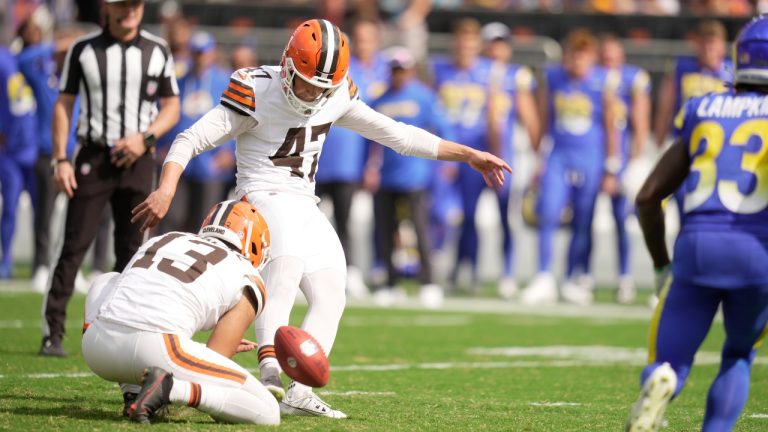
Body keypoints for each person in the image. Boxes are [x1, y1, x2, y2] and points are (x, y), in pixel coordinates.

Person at [131, 18, 510, 419]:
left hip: (303, 200)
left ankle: (299, 390)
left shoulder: (336, 93)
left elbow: (398, 135)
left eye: (322, 86)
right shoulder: (257, 88)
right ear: (288, 64)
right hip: (259, 195)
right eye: (307, 81)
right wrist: (167, 187)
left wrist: (467, 153)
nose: (313, 92)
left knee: (332, 289)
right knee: (287, 265)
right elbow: (191, 138)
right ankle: (271, 373)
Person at [626, 16, 768, 432]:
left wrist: (660, 265)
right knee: (738, 353)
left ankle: (661, 380)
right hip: (757, 252)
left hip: (698, 246)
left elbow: (648, 196)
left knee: (668, 362)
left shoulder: (702, 108)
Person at [40, 0, 180, 357]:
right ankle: (52, 332)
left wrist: (145, 138)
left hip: (138, 159)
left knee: (133, 252)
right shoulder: (83, 50)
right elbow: (64, 103)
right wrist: (61, 158)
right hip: (94, 156)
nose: (129, 11)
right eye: (122, 5)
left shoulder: (157, 50)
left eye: (135, 4)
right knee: (74, 245)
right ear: (107, 7)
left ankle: (123, 330)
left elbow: (171, 107)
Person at [82, 199, 280, 425]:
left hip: (97, 347)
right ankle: (171, 389)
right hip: (160, 348)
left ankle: (133, 392)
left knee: (108, 279)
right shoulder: (248, 274)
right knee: (268, 411)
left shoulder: (164, 238)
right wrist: (210, 353)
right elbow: (216, 365)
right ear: (255, 244)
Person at [432, 19, 540, 296]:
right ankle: (463, 269)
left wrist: (537, 154)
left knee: (505, 215)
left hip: (497, 154)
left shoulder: (499, 74)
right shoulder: (442, 70)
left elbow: (519, 116)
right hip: (461, 156)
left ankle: (507, 273)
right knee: (463, 216)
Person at [520, 28, 619, 306]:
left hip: (591, 157)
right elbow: (543, 117)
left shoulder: (602, 82)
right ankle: (544, 276)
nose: (577, 62)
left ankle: (573, 277)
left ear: (592, 58)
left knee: (583, 221)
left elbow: (611, 124)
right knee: (549, 212)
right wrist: (537, 157)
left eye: (583, 56)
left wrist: (612, 166)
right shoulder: (553, 78)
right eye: (573, 55)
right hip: (559, 155)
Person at [365, 46, 451, 308]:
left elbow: (443, 127)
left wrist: (446, 164)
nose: (398, 74)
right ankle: (390, 282)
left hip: (416, 176)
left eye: (402, 69)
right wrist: (369, 168)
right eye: (394, 70)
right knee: (384, 231)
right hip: (387, 176)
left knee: (422, 230)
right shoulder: (379, 100)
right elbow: (370, 140)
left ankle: (428, 282)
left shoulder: (424, 97)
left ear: (411, 70)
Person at [315, 17, 389, 299]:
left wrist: (373, 162)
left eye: (369, 38)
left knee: (347, 222)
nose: (365, 44)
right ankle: (309, 276)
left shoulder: (385, 69)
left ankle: (352, 271)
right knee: (313, 221)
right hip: (323, 157)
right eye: (360, 38)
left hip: (352, 160)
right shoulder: (344, 67)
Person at [158, 31, 235, 234]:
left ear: (212, 54)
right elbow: (167, 111)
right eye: (195, 52)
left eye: (202, 53)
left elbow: (240, 116)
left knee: (204, 219)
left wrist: (231, 151)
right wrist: (160, 146)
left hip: (211, 164)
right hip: (183, 162)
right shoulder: (180, 81)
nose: (198, 57)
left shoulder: (224, 80)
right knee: (172, 217)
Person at [599, 34, 651, 304]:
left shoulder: (633, 79)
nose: (608, 60)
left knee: (625, 218)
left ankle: (626, 277)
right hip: (595, 158)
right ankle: (580, 277)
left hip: (622, 160)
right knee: (583, 218)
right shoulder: (592, 77)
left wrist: (634, 162)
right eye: (604, 55)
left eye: (612, 55)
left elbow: (640, 123)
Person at [0, 45, 37, 279]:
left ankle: (42, 262)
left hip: (32, 149)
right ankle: (6, 260)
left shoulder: (23, 63)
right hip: (10, 152)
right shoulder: (7, 61)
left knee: (41, 210)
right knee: (10, 208)